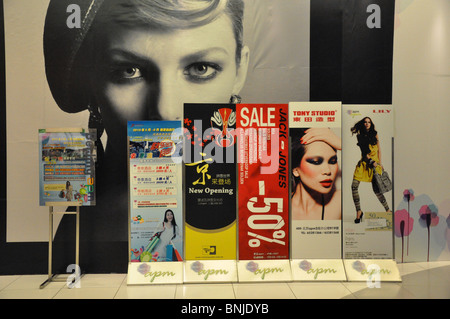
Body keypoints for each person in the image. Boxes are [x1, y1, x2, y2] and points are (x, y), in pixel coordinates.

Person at [44, 0, 249, 273]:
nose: (165, 111)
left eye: (201, 68)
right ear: (90, 83)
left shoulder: (268, 212)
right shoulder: (83, 226)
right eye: (129, 71)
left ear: (240, 71)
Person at [291, 128, 341, 220]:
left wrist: (341, 144)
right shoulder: (279, 206)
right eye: (316, 162)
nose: (328, 171)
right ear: (295, 170)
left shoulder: (339, 202)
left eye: (332, 161)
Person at [350, 117, 391, 224]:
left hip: (375, 164)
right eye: (365, 122)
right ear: (363, 124)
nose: (367, 124)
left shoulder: (375, 134)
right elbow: (364, 153)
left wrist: (380, 163)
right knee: (354, 186)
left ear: (371, 124)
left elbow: (379, 149)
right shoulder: (360, 136)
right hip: (365, 162)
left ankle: (388, 211)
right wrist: (372, 161)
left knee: (377, 190)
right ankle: (358, 211)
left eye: (369, 122)